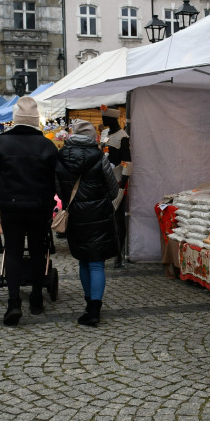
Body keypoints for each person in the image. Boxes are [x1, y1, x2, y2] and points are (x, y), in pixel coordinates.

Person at [0, 97, 59, 325]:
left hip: (11, 207)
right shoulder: (47, 145)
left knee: (13, 251)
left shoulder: (1, 144)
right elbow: (55, 179)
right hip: (39, 207)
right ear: (36, 120)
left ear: (15, 119)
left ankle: (14, 302)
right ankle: (36, 299)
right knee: (38, 251)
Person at [55, 118, 120, 327]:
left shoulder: (61, 157)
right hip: (99, 215)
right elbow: (113, 189)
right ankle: (94, 308)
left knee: (83, 260)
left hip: (75, 215)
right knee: (97, 263)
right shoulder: (99, 157)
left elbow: (58, 189)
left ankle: (88, 302)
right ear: (93, 137)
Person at [102, 109, 131, 268]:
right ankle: (108, 249)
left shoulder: (123, 137)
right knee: (106, 217)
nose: (102, 119)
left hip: (118, 180)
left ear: (111, 118)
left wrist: (123, 182)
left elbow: (128, 162)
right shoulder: (105, 132)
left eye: (104, 116)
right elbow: (103, 152)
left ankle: (119, 253)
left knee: (118, 217)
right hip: (104, 180)